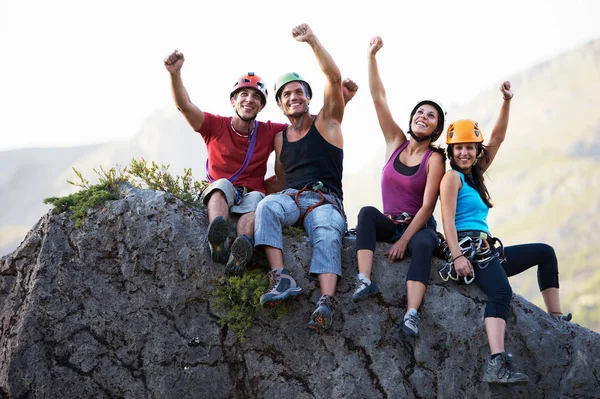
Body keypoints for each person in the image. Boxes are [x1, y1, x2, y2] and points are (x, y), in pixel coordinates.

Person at [439, 81, 571, 385]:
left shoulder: (475, 176)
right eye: (458, 147)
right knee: (501, 292)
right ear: (452, 151)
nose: (464, 152)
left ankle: (555, 318)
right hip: (467, 249)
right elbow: (446, 219)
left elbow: (496, 138)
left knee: (544, 253)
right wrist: (457, 255)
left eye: (469, 147)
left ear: (475, 150)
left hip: (486, 248)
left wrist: (506, 101)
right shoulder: (451, 178)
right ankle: (496, 362)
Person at [254, 23, 357, 334]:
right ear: (281, 104)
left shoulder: (326, 122)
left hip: (325, 199)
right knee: (267, 206)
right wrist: (244, 191)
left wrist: (311, 40)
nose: (293, 97)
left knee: (326, 232)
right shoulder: (281, 139)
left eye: (299, 92)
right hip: (292, 198)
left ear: (309, 98)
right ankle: (281, 277)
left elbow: (335, 79)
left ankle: (326, 300)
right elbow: (279, 179)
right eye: (287, 94)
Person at [351, 36, 446, 339]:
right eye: (420, 112)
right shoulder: (395, 142)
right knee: (367, 213)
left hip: (419, 228)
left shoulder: (435, 160)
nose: (423, 116)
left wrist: (403, 240)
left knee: (420, 245)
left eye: (431, 116)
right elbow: (378, 98)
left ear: (436, 129)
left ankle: (412, 313)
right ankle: (364, 279)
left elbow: (428, 207)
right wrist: (371, 57)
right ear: (411, 119)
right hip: (391, 222)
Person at [164, 50, 287, 275]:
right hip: (221, 191)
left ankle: (241, 248)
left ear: (261, 106)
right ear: (233, 100)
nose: (249, 100)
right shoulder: (215, 125)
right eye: (243, 94)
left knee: (258, 201)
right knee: (221, 185)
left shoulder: (270, 131)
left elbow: (303, 129)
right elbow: (185, 105)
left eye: (256, 97)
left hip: (250, 194)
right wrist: (175, 74)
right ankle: (218, 239)